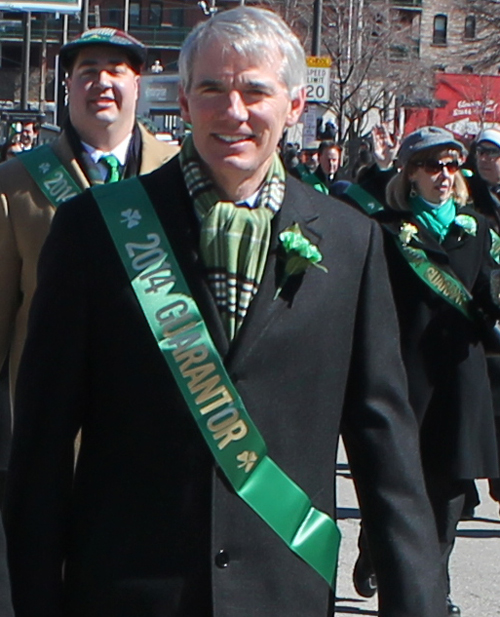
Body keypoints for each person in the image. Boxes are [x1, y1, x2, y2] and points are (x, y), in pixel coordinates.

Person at [5, 9, 447, 617]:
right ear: (183, 101)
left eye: (254, 91)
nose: (232, 111)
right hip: (126, 592)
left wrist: (416, 599)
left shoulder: (351, 242)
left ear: (294, 105)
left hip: (282, 592)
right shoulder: (95, 231)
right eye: (212, 89)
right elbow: (42, 446)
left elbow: (385, 444)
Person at [349, 126, 500, 616]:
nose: (443, 176)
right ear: (410, 173)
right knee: (398, 482)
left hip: (461, 380)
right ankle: (376, 545)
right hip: (406, 379)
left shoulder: (475, 228)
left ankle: (437, 585)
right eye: (432, 166)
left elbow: (486, 295)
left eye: (452, 166)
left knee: (451, 493)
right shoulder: (387, 230)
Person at [0, 27, 178, 404]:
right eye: (88, 71)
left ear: (137, 84)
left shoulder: (179, 173)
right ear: (69, 85)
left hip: (156, 414)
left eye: (116, 70)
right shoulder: (15, 183)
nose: (102, 82)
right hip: (55, 416)